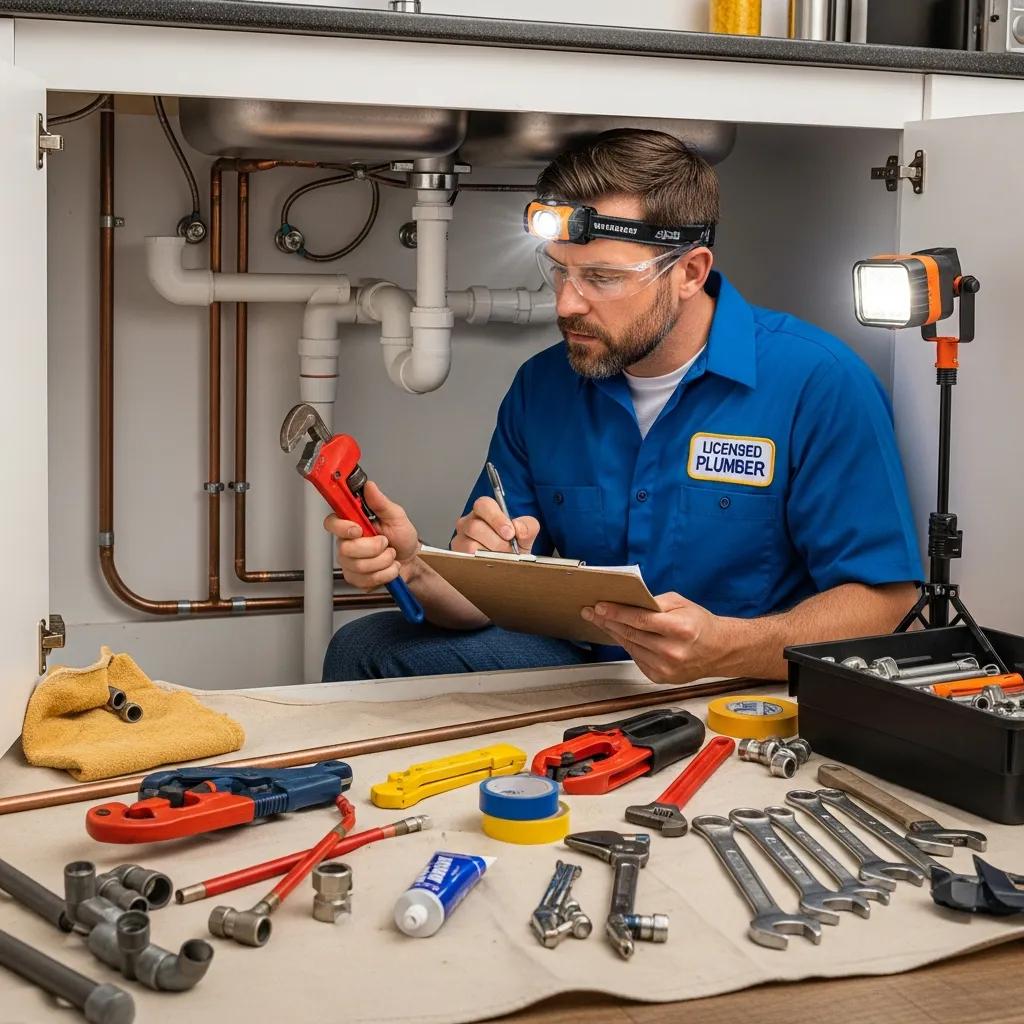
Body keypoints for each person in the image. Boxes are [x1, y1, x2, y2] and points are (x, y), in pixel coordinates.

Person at [321, 129, 922, 684]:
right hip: (586, 670)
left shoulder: (816, 382)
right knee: (365, 647)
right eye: (558, 273)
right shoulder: (543, 387)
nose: (567, 305)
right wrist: (417, 568)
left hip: (745, 682)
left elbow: (890, 609)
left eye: (602, 278)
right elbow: (488, 594)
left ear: (689, 271)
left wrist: (727, 647)